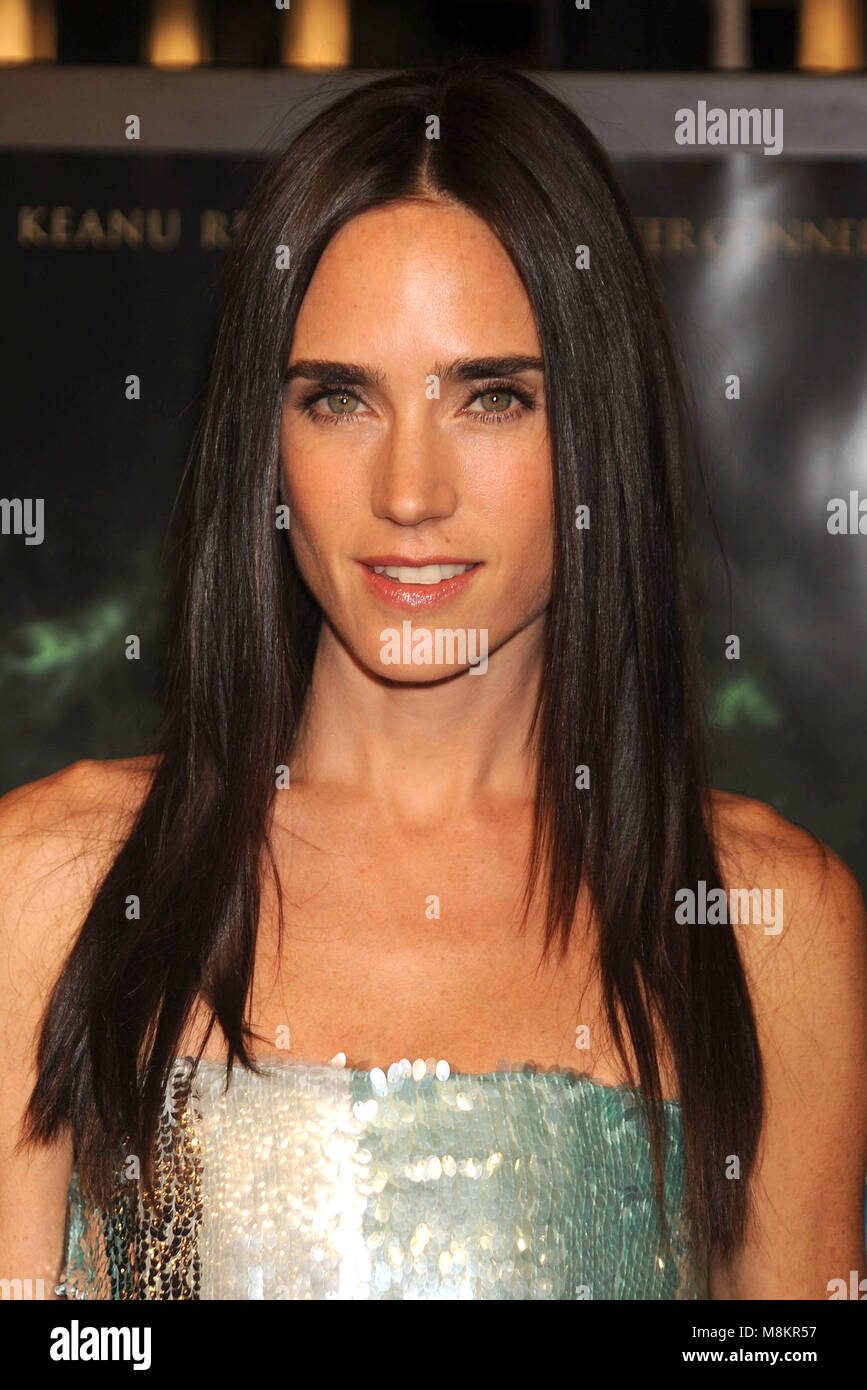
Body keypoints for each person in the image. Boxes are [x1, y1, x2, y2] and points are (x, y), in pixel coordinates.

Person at [1, 60, 865, 1302]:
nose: (410, 494)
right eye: (340, 398)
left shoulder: (766, 925)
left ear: (597, 434)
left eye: (492, 397)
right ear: (267, 443)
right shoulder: (49, 887)